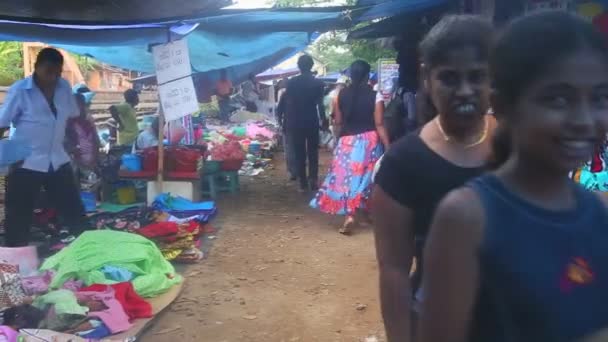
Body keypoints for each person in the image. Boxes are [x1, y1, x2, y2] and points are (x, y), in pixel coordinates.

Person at [419, 11, 608, 342]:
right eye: (559, 99)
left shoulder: (598, 213)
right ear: (503, 105)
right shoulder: (467, 218)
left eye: (599, 98)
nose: (584, 119)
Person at [372, 15, 495, 341]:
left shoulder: (516, 147)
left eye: (477, 77)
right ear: (427, 78)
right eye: (450, 78)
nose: (465, 90)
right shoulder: (402, 164)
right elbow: (394, 270)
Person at [0, 47, 85, 247]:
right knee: (18, 216)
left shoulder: (64, 87)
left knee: (74, 211)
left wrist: (74, 144)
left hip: (57, 160)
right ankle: (15, 262)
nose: (53, 77)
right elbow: (2, 123)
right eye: (48, 71)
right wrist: (5, 159)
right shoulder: (21, 90)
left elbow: (72, 118)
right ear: (36, 68)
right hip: (25, 162)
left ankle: (87, 251)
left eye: (57, 72)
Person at [311, 60, 389, 234]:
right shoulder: (376, 96)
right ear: (368, 75)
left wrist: (338, 141)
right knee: (366, 179)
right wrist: (388, 145)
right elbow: (380, 123)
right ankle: (365, 213)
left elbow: (337, 121)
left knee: (347, 179)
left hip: (347, 141)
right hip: (369, 141)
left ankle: (351, 215)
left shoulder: (340, 94)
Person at [283, 55, 328, 192]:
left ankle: (302, 182)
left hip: (296, 120)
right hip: (311, 120)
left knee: (299, 152)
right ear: (312, 65)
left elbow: (288, 103)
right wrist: (324, 120)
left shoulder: (291, 83)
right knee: (313, 151)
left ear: (298, 66)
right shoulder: (318, 83)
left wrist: (286, 121)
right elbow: (320, 105)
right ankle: (313, 180)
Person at [276, 80, 298, 181]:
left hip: (289, 126)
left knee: (290, 150)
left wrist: (280, 123)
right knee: (297, 149)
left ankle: (293, 171)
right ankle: (296, 171)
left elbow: (279, 111)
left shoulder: (285, 95)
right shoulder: (299, 94)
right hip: (298, 126)